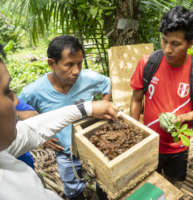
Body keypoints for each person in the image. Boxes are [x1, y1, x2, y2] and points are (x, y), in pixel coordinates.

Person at [0, 53, 118, 200]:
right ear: (52, 64)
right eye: (6, 92)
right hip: (64, 152)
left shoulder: (4, 149)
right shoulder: (9, 189)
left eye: (79, 64)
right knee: (73, 187)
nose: (16, 101)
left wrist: (88, 108)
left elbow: (31, 130)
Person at [130, 5, 193, 182]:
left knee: (173, 185)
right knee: (144, 185)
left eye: (176, 44)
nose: (168, 49)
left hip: (178, 147)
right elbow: (136, 99)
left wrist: (181, 118)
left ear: (191, 42)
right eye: (164, 41)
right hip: (148, 143)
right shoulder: (148, 63)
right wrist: (135, 131)